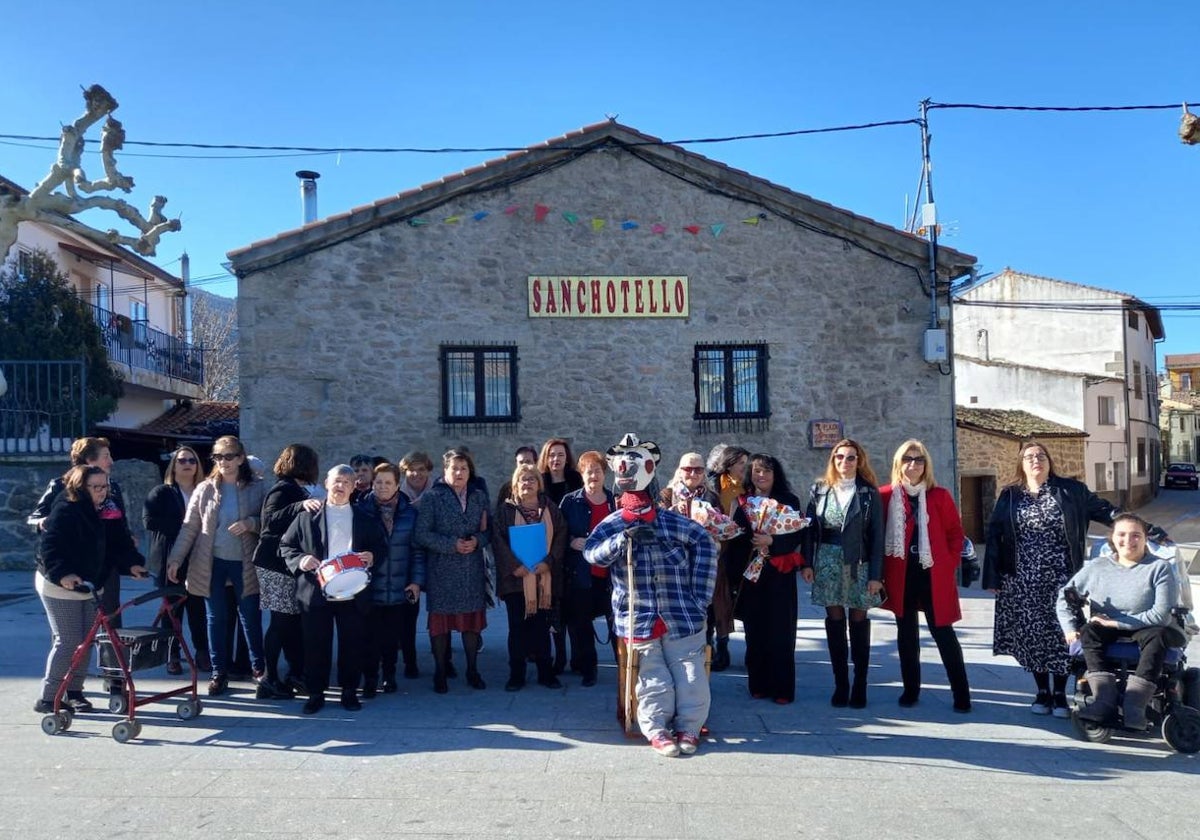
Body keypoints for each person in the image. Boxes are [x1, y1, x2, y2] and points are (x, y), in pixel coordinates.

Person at [983, 440, 1165, 718]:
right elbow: (995, 536)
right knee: (1033, 637)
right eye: (1030, 457)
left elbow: (1109, 513)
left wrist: (1146, 529)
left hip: (1063, 578)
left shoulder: (1071, 491)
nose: (1036, 460)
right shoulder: (1009, 496)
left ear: (1049, 461)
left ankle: (1060, 694)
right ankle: (1042, 691)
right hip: (1022, 580)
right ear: (1021, 463)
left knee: (1063, 634)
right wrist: (993, 576)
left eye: (1041, 456)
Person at [584, 433, 717, 758]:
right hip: (638, 616)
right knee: (653, 676)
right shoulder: (613, 524)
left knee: (690, 674)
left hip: (682, 614)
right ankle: (656, 729)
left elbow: (705, 544)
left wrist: (700, 596)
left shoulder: (673, 522)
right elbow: (592, 554)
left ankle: (689, 726)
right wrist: (621, 542)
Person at [34, 465, 148, 713]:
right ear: (80, 487)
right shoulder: (66, 508)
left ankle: (74, 692)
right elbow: (50, 546)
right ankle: (48, 698)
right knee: (68, 639)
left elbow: (119, 542)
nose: (101, 492)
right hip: (58, 582)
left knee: (86, 639)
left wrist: (133, 564)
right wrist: (63, 574)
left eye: (104, 486)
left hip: (89, 581)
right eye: (95, 487)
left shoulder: (108, 508)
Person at [1056, 513, 1183, 730]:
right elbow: (1064, 596)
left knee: (1159, 635)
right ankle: (1104, 700)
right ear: (1112, 538)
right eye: (1122, 534)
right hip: (1105, 626)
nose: (1128, 540)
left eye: (1136, 535)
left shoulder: (1159, 568)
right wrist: (1069, 629)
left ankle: (1135, 703)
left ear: (1145, 539)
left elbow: (1160, 615)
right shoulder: (1097, 567)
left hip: (1147, 627)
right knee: (1089, 631)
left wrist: (1116, 623)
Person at [166, 435, 266, 697]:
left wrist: (250, 524)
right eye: (218, 457)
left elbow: (269, 520)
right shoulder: (205, 488)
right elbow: (190, 527)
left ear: (241, 458)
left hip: (245, 561)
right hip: (212, 561)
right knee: (216, 618)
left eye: (229, 456)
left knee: (250, 617)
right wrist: (176, 558)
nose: (224, 462)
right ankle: (218, 673)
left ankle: (259, 671)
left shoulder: (257, 487)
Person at [280, 465, 383, 713]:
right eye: (337, 481)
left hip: (353, 592)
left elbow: (381, 547)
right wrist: (300, 561)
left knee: (352, 644)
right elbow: (286, 546)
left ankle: (349, 691)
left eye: (347, 482)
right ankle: (316, 693)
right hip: (316, 592)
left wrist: (373, 556)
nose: (341, 486)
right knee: (316, 645)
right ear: (326, 483)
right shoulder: (307, 516)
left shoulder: (364, 518)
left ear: (353, 486)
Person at [878, 439, 971, 713]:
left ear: (926, 465)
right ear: (898, 463)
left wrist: (949, 562)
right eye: (908, 458)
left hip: (932, 573)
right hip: (901, 573)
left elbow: (956, 533)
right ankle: (910, 690)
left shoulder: (939, 495)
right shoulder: (885, 496)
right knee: (906, 636)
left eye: (919, 460)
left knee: (943, 632)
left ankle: (961, 693)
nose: (913, 464)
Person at [804, 438, 884, 709]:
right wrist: (807, 563)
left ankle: (860, 684)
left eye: (850, 457)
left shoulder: (868, 493)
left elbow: (877, 538)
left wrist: (876, 575)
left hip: (857, 564)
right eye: (839, 457)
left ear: (859, 461)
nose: (844, 462)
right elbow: (809, 529)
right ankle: (841, 684)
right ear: (833, 460)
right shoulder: (820, 489)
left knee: (858, 622)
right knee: (835, 622)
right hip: (827, 560)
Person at [725, 453, 806, 704]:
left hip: (779, 574)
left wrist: (772, 541)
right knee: (755, 630)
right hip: (752, 575)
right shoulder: (742, 502)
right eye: (757, 471)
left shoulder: (788, 500)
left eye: (767, 471)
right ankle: (758, 683)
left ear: (775, 474)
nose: (762, 476)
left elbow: (797, 535)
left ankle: (782, 688)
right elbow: (737, 540)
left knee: (781, 631)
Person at [29, 436, 133, 629]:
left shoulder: (113, 487)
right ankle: (71, 659)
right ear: (89, 460)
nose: (111, 461)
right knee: (70, 633)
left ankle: (109, 660)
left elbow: (118, 522)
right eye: (106, 456)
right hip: (75, 565)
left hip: (106, 564)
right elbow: (36, 517)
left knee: (111, 621)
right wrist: (43, 522)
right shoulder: (61, 485)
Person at [414, 448, 491, 693]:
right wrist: (451, 544)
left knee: (471, 623)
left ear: (470, 472)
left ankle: (472, 669)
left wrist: (478, 541)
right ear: (445, 471)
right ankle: (440, 671)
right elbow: (421, 534)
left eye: (463, 468)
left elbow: (489, 531)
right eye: (454, 468)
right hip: (442, 570)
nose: (459, 473)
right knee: (441, 624)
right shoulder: (432, 498)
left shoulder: (479, 496)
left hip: (471, 569)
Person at [251, 444, 321, 700]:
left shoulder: (294, 489)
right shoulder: (283, 490)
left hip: (283, 565)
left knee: (289, 623)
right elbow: (270, 521)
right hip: (274, 564)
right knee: (280, 624)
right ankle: (268, 680)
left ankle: (293, 674)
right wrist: (301, 506)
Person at [493, 464, 567, 691]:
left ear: (539, 483)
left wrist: (549, 562)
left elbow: (561, 536)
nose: (528, 483)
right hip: (516, 580)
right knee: (517, 628)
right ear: (515, 484)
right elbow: (498, 540)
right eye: (523, 479)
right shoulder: (505, 511)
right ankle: (516, 674)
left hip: (543, 578)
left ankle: (546, 673)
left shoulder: (550, 509)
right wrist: (514, 566)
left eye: (532, 479)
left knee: (542, 628)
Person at [358, 462, 426, 694]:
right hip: (369, 585)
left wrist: (416, 581)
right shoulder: (360, 510)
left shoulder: (409, 513)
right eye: (378, 482)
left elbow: (417, 551)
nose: (383, 487)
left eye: (388, 483)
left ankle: (389, 675)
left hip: (398, 585)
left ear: (398, 485)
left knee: (391, 636)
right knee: (368, 636)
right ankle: (369, 678)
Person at [143, 446, 209, 675]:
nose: (188, 463)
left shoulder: (205, 490)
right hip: (170, 558)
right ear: (174, 465)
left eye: (193, 460)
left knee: (198, 609)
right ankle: (172, 655)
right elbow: (149, 521)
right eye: (182, 460)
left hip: (199, 558)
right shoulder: (162, 492)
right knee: (172, 611)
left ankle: (202, 652)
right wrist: (186, 528)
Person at [559, 450, 616, 687]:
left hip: (611, 575)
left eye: (598, 471)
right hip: (581, 573)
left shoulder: (615, 501)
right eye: (588, 471)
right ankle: (589, 669)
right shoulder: (570, 502)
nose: (593, 475)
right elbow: (557, 535)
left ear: (605, 473)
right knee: (582, 624)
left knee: (616, 624)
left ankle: (624, 665)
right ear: (582, 474)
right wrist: (571, 541)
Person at [702, 445, 750, 671]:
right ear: (729, 464)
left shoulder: (748, 489)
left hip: (737, 550)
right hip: (715, 550)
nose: (745, 467)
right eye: (741, 463)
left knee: (728, 601)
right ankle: (713, 647)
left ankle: (723, 646)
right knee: (714, 601)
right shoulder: (712, 486)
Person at [539, 438, 583, 507]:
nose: (556, 459)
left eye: (560, 455)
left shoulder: (576, 479)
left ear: (567, 459)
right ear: (546, 459)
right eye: (552, 455)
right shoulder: (539, 481)